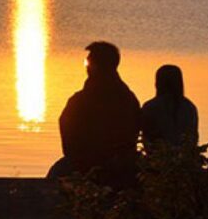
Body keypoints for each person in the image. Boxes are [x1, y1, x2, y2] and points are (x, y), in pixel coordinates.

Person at [48, 41, 140, 185]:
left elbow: (68, 137)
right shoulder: (129, 98)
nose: (86, 67)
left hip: (91, 165)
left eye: (88, 63)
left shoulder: (80, 101)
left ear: (96, 66)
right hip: (121, 164)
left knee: (55, 175)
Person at [141, 64, 199, 153]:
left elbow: (147, 140)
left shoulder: (150, 107)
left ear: (157, 83)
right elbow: (193, 139)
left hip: (158, 162)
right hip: (186, 162)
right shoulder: (190, 107)